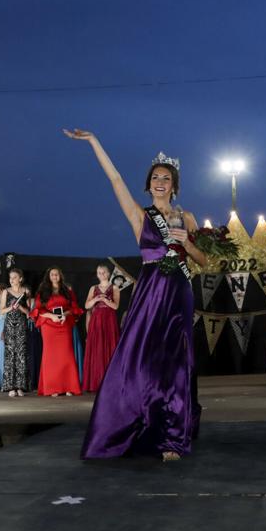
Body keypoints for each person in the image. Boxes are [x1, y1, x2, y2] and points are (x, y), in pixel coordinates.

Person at [67, 129, 207, 461]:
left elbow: (205, 261)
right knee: (142, 360)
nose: (160, 181)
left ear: (174, 185)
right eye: (155, 177)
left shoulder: (187, 217)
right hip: (150, 293)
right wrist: (94, 142)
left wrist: (186, 241)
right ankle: (140, 421)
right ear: (149, 184)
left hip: (179, 293)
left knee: (177, 361)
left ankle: (174, 435)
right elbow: (115, 178)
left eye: (166, 177)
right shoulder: (139, 216)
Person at [32, 267, 83, 397]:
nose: (54, 276)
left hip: (63, 324)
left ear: (60, 276)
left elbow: (73, 308)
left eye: (57, 274)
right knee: (51, 356)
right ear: (49, 277)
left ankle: (68, 387)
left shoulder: (67, 290)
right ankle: (52, 387)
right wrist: (52, 316)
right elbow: (38, 310)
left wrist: (65, 315)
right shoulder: (42, 291)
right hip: (49, 325)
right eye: (52, 274)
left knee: (66, 354)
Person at [82, 263, 121, 393]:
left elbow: (116, 307)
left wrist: (105, 301)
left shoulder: (114, 287)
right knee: (97, 348)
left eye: (103, 272)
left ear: (109, 273)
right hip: (97, 320)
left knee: (110, 347)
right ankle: (96, 382)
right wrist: (96, 299)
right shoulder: (93, 288)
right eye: (99, 272)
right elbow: (87, 305)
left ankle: (110, 382)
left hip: (109, 320)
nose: (101, 274)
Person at [0, 269, 32, 397]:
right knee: (10, 355)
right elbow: (1, 311)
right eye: (10, 277)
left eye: (14, 277)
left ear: (20, 278)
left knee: (21, 355)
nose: (12, 280)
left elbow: (29, 313)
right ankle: (10, 387)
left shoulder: (26, 292)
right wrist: (11, 308)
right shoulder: (5, 292)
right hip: (9, 326)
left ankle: (20, 386)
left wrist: (20, 307)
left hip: (21, 326)